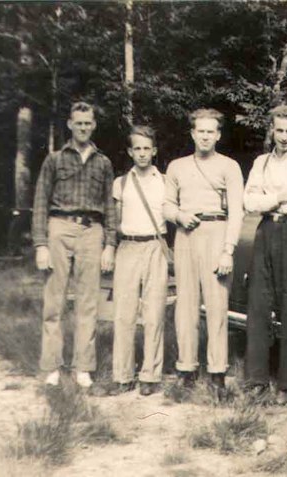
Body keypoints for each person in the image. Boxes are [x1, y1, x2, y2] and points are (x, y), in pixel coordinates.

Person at [32, 101, 116, 389]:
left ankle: (83, 367)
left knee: (88, 302)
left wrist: (110, 244)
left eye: (87, 123)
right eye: (78, 123)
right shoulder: (54, 159)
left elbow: (109, 206)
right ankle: (52, 367)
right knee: (54, 301)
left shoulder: (103, 162)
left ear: (94, 125)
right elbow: (40, 202)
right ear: (70, 124)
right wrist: (41, 245)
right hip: (59, 228)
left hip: (92, 231)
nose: (83, 127)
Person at [163, 108, 244, 399]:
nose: (205, 136)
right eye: (201, 131)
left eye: (211, 131)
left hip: (217, 232)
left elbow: (237, 212)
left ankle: (217, 371)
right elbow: (166, 205)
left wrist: (228, 251)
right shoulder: (177, 166)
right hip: (186, 235)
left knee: (217, 305)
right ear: (192, 133)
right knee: (185, 304)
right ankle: (186, 369)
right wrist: (179, 216)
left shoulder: (230, 167)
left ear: (218, 135)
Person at [243, 105, 287, 404]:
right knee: (258, 302)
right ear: (271, 130)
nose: (284, 137)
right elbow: (249, 201)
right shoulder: (261, 162)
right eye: (279, 130)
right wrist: (279, 198)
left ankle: (286, 383)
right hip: (265, 231)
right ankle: (256, 379)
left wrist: (274, 200)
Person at [108, 125, 168, 397]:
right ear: (130, 152)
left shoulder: (165, 181)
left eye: (147, 148)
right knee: (124, 313)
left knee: (154, 313)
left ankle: (150, 375)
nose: (142, 153)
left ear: (154, 151)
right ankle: (122, 374)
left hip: (155, 247)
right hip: (128, 247)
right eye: (137, 149)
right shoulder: (120, 183)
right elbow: (115, 221)